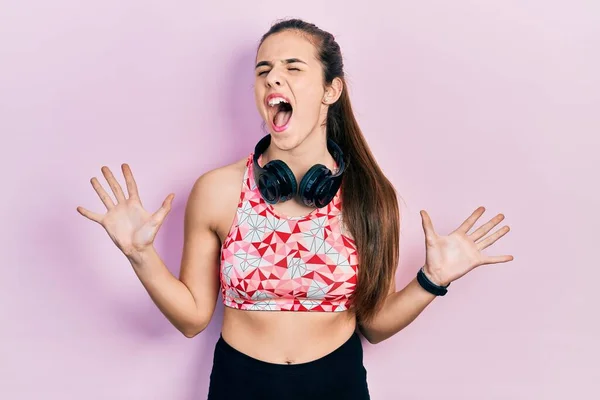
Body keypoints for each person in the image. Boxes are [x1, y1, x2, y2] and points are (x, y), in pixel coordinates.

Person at [77, 18, 513, 400]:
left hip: (337, 383)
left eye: (292, 68)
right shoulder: (216, 190)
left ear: (330, 90)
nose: (272, 79)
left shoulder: (370, 196)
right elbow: (192, 319)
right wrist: (140, 255)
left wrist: (431, 280)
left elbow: (375, 325)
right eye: (263, 70)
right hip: (239, 383)